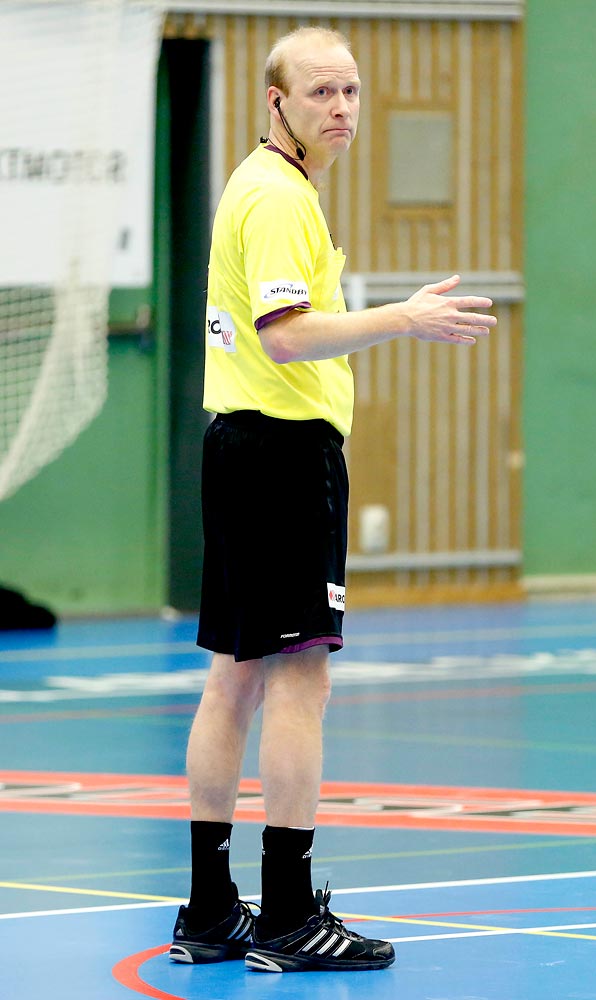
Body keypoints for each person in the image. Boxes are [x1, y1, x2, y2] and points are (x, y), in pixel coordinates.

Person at [168, 26, 496, 972]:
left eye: (350, 91)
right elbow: (286, 334)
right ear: (277, 103)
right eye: (320, 93)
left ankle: (209, 906)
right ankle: (284, 913)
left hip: (241, 449)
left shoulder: (273, 188)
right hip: (277, 456)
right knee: (298, 679)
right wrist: (406, 317)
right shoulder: (275, 197)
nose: (341, 108)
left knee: (234, 677)